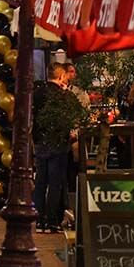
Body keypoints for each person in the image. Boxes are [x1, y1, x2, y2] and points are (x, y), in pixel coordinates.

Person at [34, 64, 89, 232]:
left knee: (41, 182)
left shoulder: (37, 93)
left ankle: (38, 220)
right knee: (55, 183)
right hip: (58, 143)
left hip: (40, 142)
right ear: (60, 77)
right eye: (65, 76)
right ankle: (52, 221)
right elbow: (78, 116)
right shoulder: (63, 95)